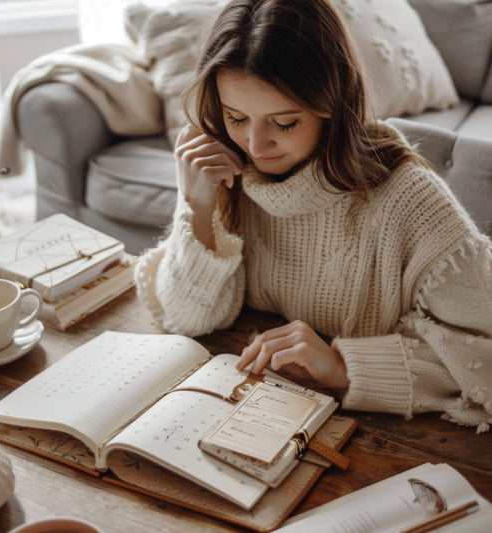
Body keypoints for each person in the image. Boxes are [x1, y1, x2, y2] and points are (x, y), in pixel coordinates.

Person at [136, 0, 492, 432]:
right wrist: (196, 205)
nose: (256, 144)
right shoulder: (228, 172)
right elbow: (188, 319)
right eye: (236, 117)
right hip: (254, 410)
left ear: (334, 103)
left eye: (284, 122)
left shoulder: (409, 199)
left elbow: (482, 359)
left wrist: (344, 365)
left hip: (380, 438)